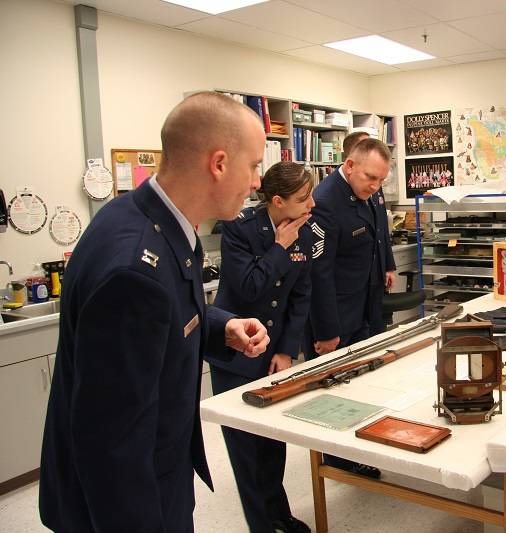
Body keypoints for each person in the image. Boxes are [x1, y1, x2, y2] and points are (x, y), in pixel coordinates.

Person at [39, 91, 270, 532]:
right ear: (219, 164)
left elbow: (167, 316)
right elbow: (112, 445)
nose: (258, 181)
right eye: (255, 165)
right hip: (124, 502)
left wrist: (221, 325)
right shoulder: (134, 266)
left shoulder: (157, 223)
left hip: (155, 473)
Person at [208, 161, 314, 533]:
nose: (311, 205)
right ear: (278, 200)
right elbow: (251, 287)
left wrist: (287, 351)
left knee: (272, 442)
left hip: (274, 355)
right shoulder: (239, 231)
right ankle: (261, 525)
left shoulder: (302, 230)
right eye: (304, 198)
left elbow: (301, 295)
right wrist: (280, 247)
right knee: (246, 449)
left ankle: (279, 514)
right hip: (237, 354)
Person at [305, 136, 396, 478]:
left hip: (365, 303)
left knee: (363, 381)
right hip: (336, 312)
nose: (375, 186)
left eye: (381, 181)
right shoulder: (325, 202)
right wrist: (327, 331)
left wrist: (386, 265)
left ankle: (361, 444)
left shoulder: (366, 190)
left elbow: (377, 235)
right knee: (332, 390)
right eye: (370, 178)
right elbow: (318, 273)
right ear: (350, 165)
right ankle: (338, 460)